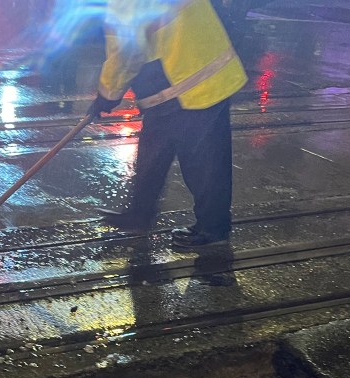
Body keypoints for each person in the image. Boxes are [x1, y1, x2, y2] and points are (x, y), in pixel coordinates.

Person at [88, 0, 248, 250]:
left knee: (203, 163)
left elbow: (127, 49)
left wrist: (107, 94)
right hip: (186, 74)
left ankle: (213, 229)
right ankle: (140, 214)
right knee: (154, 152)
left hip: (185, 80)